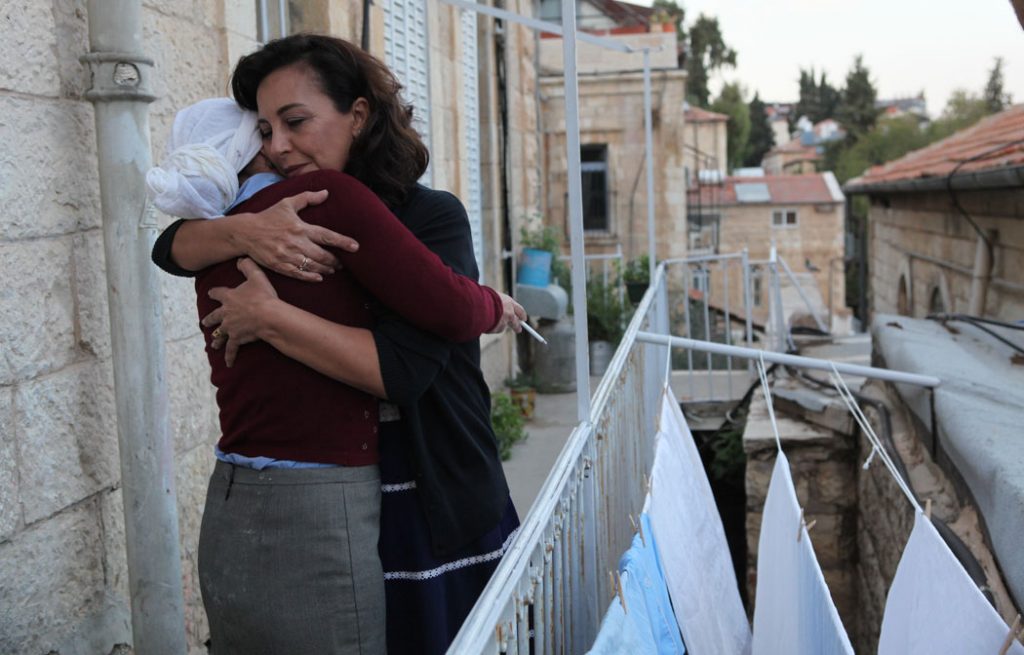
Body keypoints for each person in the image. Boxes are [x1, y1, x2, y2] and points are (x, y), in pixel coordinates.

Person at [151, 36, 521, 655]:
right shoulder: (264, 221)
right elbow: (168, 249)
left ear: (357, 114)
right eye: (264, 131)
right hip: (330, 494)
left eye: (296, 122)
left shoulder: (428, 216)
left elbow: (404, 368)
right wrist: (248, 226)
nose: (277, 146)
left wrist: (269, 318)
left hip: (430, 487)